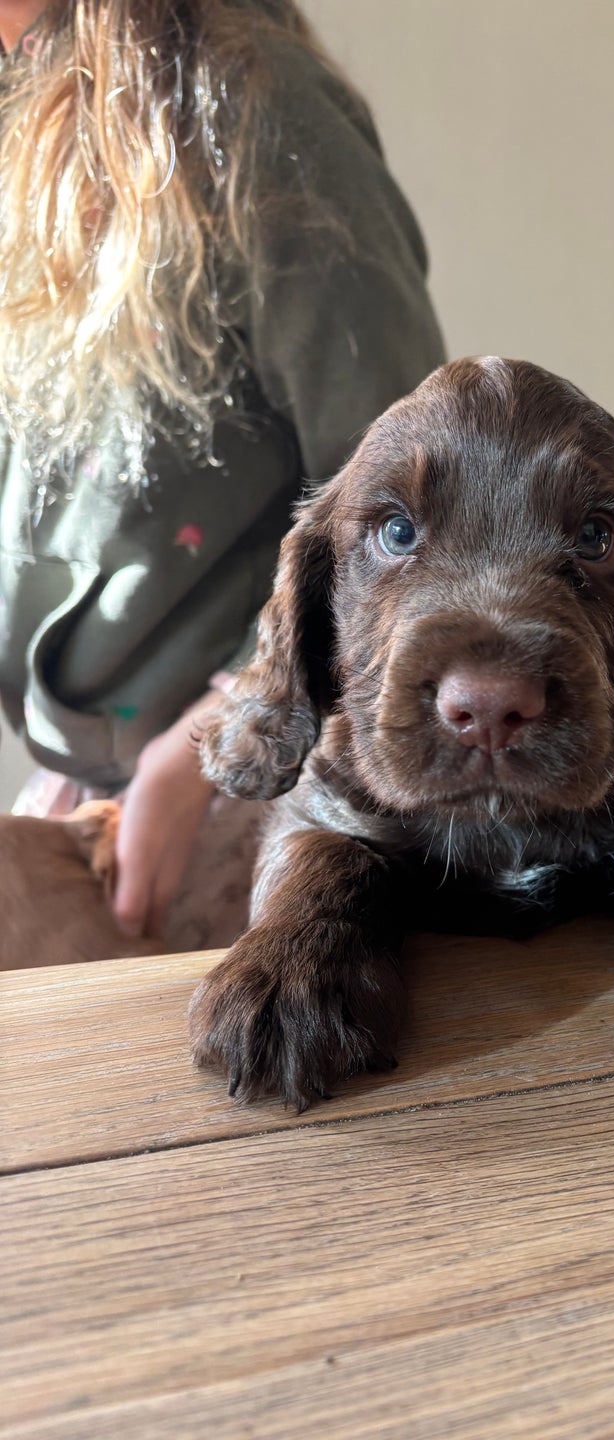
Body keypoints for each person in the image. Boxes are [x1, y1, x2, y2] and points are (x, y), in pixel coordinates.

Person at [0, 0, 444, 949]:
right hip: (93, 782)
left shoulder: (262, 117)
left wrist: (211, 744)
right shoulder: (26, 113)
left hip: (246, 786)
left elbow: (409, 518)